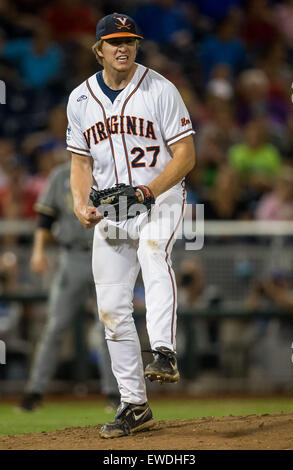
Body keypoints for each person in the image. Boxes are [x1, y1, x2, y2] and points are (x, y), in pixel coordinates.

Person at [67, 13, 195, 438]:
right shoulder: (80, 99)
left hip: (161, 197)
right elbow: (80, 161)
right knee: (111, 310)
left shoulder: (159, 88)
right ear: (98, 49)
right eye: (115, 41)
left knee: (153, 251)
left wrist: (149, 190)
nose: (124, 48)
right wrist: (80, 202)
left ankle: (163, 351)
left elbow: (185, 155)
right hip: (113, 210)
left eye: (131, 41)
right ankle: (134, 405)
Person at [19, 161, 119, 411]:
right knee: (55, 326)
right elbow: (45, 217)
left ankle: (115, 394)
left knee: (109, 327)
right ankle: (34, 393)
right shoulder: (61, 174)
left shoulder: (112, 173)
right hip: (71, 256)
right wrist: (38, 251)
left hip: (108, 253)